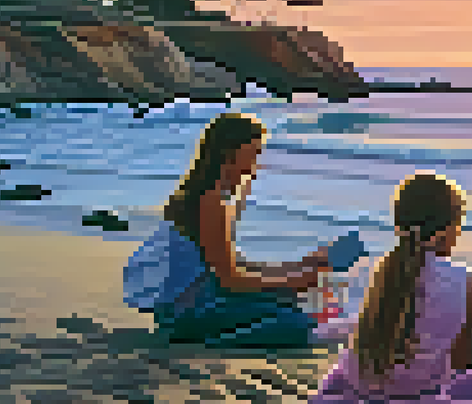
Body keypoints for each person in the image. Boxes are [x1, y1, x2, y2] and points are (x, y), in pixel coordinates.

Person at [123, 112, 333, 348]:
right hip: (189, 312)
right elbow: (230, 280)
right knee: (293, 320)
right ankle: (204, 339)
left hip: (185, 307)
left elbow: (231, 264)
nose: (254, 166)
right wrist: (289, 282)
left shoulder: (202, 196)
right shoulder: (210, 202)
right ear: (230, 155)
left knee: (287, 301)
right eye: (252, 155)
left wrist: (296, 269)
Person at [327, 172, 472, 398]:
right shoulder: (469, 282)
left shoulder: (386, 269)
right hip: (421, 389)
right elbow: (461, 362)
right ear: (448, 230)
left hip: (362, 384)